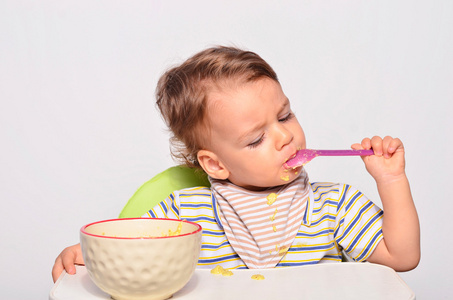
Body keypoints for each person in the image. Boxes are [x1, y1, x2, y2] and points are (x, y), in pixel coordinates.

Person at [52, 46, 420, 281]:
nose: (284, 136)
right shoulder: (184, 215)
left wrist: (391, 181)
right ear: (215, 164)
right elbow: (129, 247)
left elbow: (402, 257)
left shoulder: (333, 207)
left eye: (285, 115)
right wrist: (88, 254)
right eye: (257, 139)